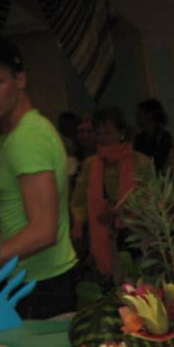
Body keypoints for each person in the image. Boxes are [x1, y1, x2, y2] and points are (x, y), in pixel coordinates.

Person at [0, 36, 78, 318]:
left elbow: (43, 231)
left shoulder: (27, 138)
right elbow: (27, 219)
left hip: (42, 285)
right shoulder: (14, 135)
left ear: (20, 80)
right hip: (34, 280)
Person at [70, 106, 154, 277]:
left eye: (108, 133)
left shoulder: (141, 162)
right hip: (103, 238)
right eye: (99, 133)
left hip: (137, 236)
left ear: (121, 133)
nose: (103, 138)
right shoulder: (90, 165)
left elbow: (153, 197)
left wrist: (123, 210)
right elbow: (78, 202)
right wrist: (78, 225)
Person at [133, 98, 174, 173]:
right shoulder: (139, 138)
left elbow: (164, 162)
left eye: (139, 114)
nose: (137, 117)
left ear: (149, 115)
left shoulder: (163, 137)